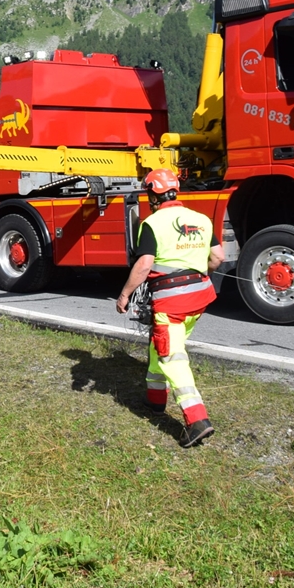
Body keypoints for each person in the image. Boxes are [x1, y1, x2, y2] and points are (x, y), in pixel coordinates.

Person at [115, 168, 224, 448]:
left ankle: (197, 419)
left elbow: (144, 265)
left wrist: (125, 294)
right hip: (200, 299)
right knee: (159, 345)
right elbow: (217, 258)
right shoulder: (200, 219)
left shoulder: (152, 223)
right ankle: (155, 399)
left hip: (172, 303)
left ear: (153, 194)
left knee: (171, 356)